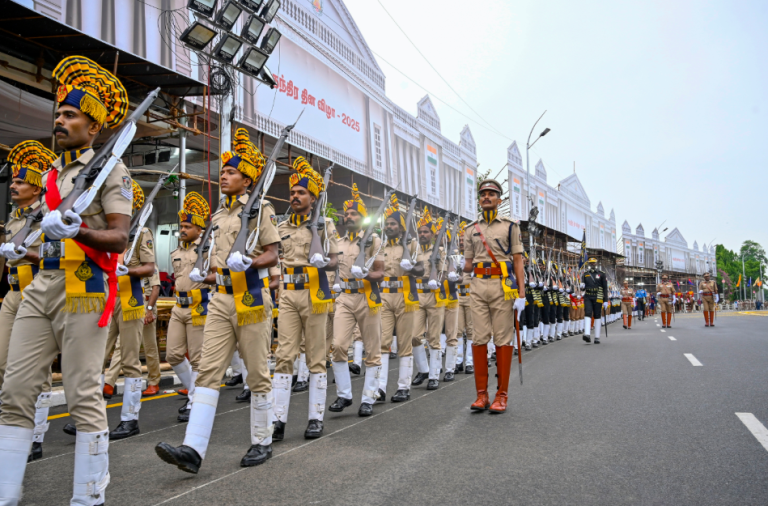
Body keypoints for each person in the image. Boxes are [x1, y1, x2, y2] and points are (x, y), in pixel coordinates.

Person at [0, 55, 132, 505]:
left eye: (70, 114)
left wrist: (81, 230)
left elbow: (118, 236)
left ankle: (89, 496)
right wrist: (22, 247)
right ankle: (5, 493)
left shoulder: (110, 170)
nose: (59, 120)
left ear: (92, 127)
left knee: (81, 394)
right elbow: (43, 232)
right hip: (41, 288)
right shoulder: (52, 175)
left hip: (85, 290)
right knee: (15, 389)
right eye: (58, 113)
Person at [155, 128, 280, 472]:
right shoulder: (218, 216)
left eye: (231, 172)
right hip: (219, 298)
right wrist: (203, 276)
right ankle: (192, 451)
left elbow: (273, 254)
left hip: (250, 296)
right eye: (223, 172)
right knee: (208, 371)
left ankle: (262, 440)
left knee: (256, 371)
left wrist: (251, 262)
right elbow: (218, 265)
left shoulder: (259, 210)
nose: (223, 176)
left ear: (247, 179)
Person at [271, 157, 338, 440]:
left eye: (301, 192)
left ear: (313, 197)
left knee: (315, 357)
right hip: (287, 295)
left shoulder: (324, 224)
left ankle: (315, 418)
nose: (295, 196)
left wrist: (322, 257)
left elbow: (335, 261)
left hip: (314, 294)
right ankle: (278, 420)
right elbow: (275, 258)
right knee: (284, 355)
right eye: (292, 193)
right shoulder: (281, 226)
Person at [0, 141, 55, 462]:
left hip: (37, 293)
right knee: (5, 364)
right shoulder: (14, 219)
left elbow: (53, 257)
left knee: (39, 371)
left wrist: (29, 254)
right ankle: (14, 427)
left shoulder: (48, 219)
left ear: (36, 189)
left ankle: (35, 435)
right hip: (11, 295)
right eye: (14, 181)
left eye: (20, 182)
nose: (13, 186)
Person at [463, 179, 525, 414]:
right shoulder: (470, 229)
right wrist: (456, 268)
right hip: (477, 286)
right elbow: (468, 264)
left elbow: (518, 261)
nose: (486, 197)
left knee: (502, 339)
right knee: (478, 339)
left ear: (500, 200)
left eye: (492, 194)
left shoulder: (510, 226)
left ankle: (502, 395)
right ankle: (481, 395)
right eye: (483, 194)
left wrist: (522, 293)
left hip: (502, 287)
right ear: (479, 199)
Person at [328, 184, 384, 417]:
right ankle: (344, 395)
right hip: (344, 298)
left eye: (353, 214)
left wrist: (367, 275)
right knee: (338, 345)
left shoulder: (373, 241)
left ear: (363, 218)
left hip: (367, 297)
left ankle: (369, 397)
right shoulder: (338, 243)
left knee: (372, 349)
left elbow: (380, 272)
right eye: (347, 214)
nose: (348, 217)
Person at [166, 192, 214, 422]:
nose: (182, 229)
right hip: (178, 306)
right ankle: (194, 391)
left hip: (199, 305)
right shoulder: (176, 251)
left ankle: (194, 400)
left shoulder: (207, 249)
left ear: (198, 229)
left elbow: (216, 273)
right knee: (173, 354)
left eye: (187, 226)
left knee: (197, 358)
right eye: (181, 225)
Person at [378, 194, 422, 402]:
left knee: (404, 342)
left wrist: (411, 267)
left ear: (401, 227)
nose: (389, 226)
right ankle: (379, 387)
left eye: (393, 223)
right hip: (385, 296)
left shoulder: (412, 245)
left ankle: (403, 386)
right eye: (387, 223)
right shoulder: (380, 246)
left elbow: (421, 269)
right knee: (383, 341)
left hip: (405, 296)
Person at [410, 207, 446, 390]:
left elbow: (447, 274)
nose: (423, 234)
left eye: (426, 232)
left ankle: (433, 375)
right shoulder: (414, 250)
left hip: (435, 297)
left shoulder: (440, 250)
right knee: (415, 336)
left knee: (433, 337)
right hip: (417, 295)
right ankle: (423, 369)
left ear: (432, 234)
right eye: (421, 231)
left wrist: (437, 275)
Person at [455, 222, 475, 369]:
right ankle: (458, 361)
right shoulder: (453, 257)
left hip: (471, 296)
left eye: (464, 240)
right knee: (457, 330)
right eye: (460, 240)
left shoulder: (474, 257)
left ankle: (469, 361)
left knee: (471, 331)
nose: (462, 242)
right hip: (456, 296)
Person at [580, 258, 609, 344]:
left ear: (596, 263)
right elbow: (583, 288)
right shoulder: (585, 274)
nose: (592, 264)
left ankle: (597, 337)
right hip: (588, 296)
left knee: (597, 314)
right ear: (589, 264)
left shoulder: (602, 274)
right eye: (591, 263)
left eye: (594, 263)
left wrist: (606, 300)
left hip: (598, 296)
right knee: (588, 312)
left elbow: (605, 288)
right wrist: (582, 287)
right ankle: (587, 334)